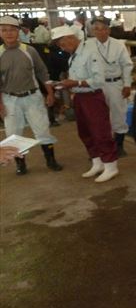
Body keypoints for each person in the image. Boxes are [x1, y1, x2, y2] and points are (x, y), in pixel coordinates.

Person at [51, 24, 119, 183]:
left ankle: (110, 165)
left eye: (62, 43)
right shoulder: (73, 56)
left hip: (93, 97)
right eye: (59, 44)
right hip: (80, 97)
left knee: (100, 131)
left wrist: (75, 82)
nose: (61, 47)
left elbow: (98, 80)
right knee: (85, 132)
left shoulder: (90, 52)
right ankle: (97, 162)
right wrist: (69, 85)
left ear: (71, 38)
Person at [0, 16, 63, 175]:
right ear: (0, 33)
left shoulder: (29, 50)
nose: (8, 33)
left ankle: (51, 160)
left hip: (32, 97)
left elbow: (42, 72)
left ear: (18, 32)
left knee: (42, 131)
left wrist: (50, 93)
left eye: (12, 30)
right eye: (4, 30)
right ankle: (20, 164)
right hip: (10, 99)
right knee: (14, 134)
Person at [89, 16, 134, 158]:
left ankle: (119, 146)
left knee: (118, 115)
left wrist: (127, 85)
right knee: (98, 116)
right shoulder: (88, 45)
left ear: (108, 30)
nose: (100, 32)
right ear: (93, 31)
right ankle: (101, 147)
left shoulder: (118, 45)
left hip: (115, 84)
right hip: (96, 85)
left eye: (103, 29)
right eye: (97, 29)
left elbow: (126, 65)